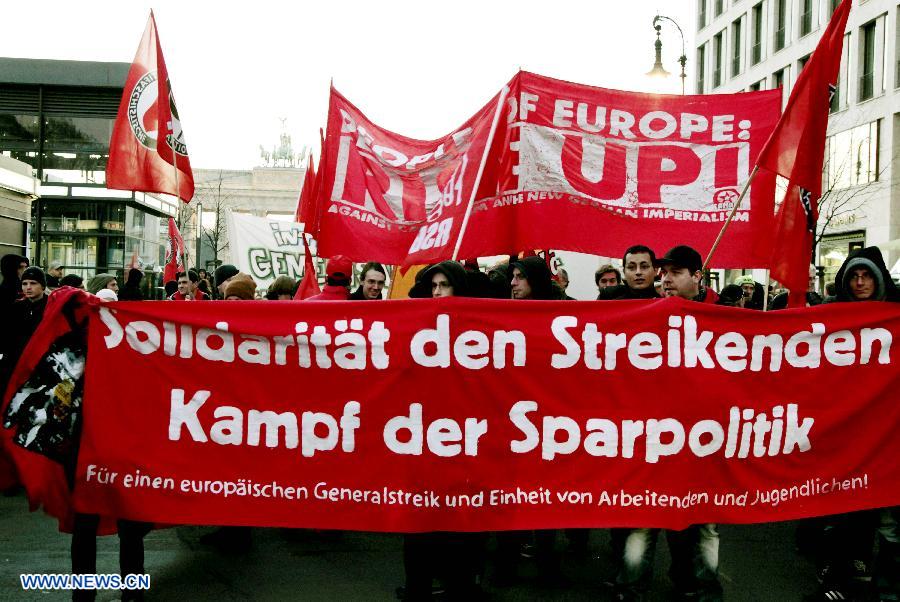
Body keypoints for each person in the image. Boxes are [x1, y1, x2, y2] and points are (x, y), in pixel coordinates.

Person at [615, 245, 723, 602]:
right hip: (651, 436)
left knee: (703, 522)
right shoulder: (650, 313)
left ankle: (704, 586)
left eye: (675, 272)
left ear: (697, 276)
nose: (666, 279)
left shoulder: (722, 320)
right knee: (642, 518)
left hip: (699, 440)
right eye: (665, 272)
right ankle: (631, 588)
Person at [807, 247, 900, 602]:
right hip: (846, 431)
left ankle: (888, 586)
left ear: (878, 280)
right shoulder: (833, 319)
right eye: (853, 277)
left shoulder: (895, 316)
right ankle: (838, 576)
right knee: (842, 507)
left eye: (866, 276)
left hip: (891, 434)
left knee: (891, 518)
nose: (860, 282)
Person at [1, 266, 49, 391]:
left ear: (43, 286)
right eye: (24, 283)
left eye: (33, 283)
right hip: (16, 365)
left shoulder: (52, 308)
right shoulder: (16, 308)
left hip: (42, 366)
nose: (28, 287)